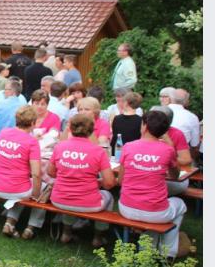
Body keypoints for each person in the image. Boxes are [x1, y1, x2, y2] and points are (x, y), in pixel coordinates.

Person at [117, 110, 186, 258]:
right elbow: (175, 176)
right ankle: (168, 252)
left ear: (144, 126)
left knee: (156, 210)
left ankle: (148, 249)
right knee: (180, 204)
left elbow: (120, 181)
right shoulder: (168, 150)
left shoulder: (128, 146)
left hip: (126, 207)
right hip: (156, 211)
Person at [48, 113, 117, 247]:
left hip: (59, 199)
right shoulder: (98, 151)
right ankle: (98, 236)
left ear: (71, 129)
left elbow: (51, 172)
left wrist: (69, 175)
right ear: (91, 130)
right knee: (108, 196)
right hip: (87, 202)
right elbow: (109, 183)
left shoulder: (60, 147)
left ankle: (66, 233)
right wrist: (96, 181)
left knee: (71, 196)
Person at [0, 105, 45, 239]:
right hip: (15, 188)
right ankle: (31, 227)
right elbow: (36, 173)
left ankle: (10, 223)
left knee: (21, 189)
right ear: (32, 123)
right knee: (42, 188)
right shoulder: (31, 142)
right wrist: (36, 195)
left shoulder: (4, 132)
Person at [150, 105, 193, 196]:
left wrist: (166, 158)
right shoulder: (145, 131)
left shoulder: (176, 134)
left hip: (168, 176)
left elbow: (186, 160)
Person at [168, 89, 201, 156]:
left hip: (154, 154)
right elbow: (194, 144)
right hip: (180, 155)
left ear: (169, 99)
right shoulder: (192, 117)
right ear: (186, 101)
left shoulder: (156, 111)